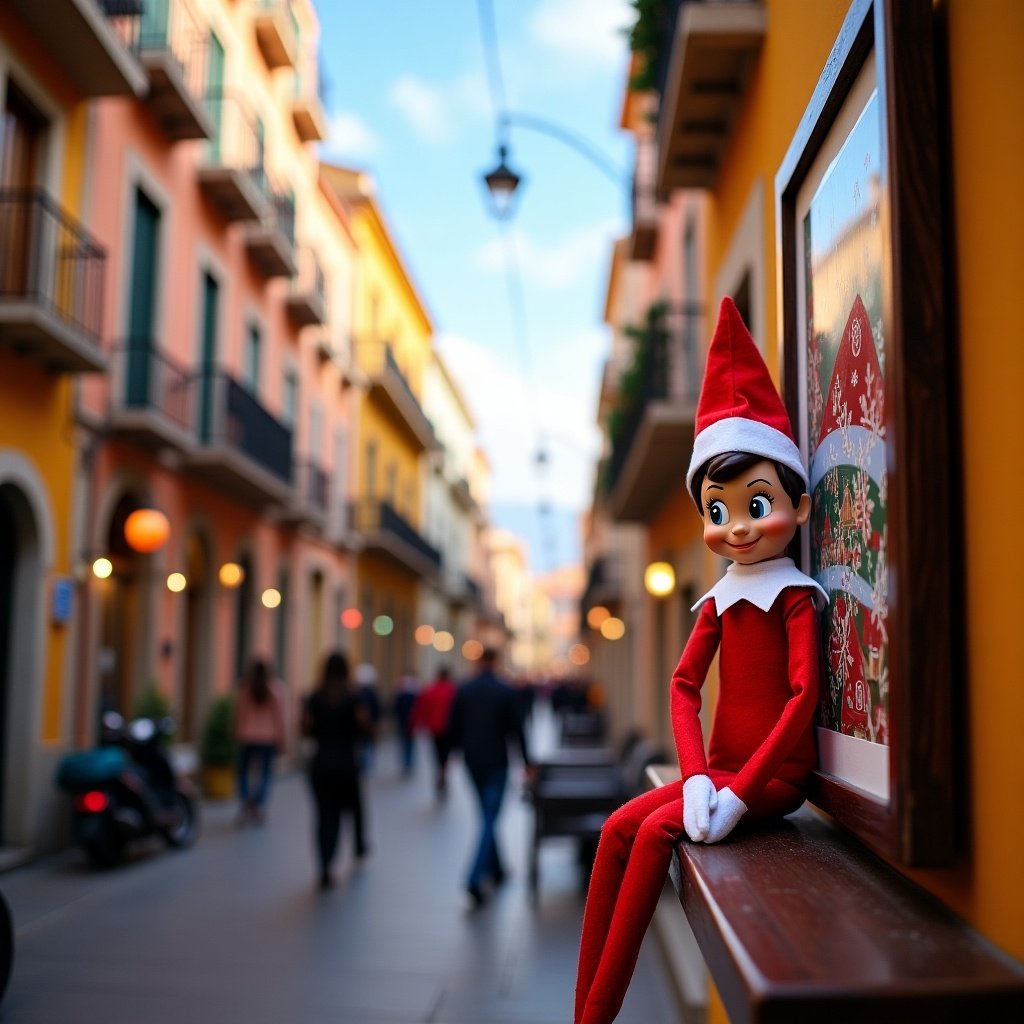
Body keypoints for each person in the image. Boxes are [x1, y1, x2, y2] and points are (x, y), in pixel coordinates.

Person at [573, 297, 826, 1024]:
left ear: (799, 509)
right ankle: (583, 1009)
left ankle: (598, 1016)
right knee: (620, 827)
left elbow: (801, 698)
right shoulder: (718, 601)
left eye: (755, 504)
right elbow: (684, 687)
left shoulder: (794, 598)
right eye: (718, 512)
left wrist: (741, 794)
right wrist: (694, 781)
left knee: (653, 834)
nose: (737, 529)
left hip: (772, 780)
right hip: (714, 771)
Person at [448, 647, 533, 908]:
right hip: (497, 761)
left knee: (486, 815)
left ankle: (496, 870)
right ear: (495, 662)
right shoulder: (506, 690)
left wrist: (449, 759)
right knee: (489, 817)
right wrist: (527, 762)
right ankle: (475, 878)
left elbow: (453, 727)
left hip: (473, 761)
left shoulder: (464, 689)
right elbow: (518, 729)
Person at [301, 650, 373, 889]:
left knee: (325, 815)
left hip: (320, 764)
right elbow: (366, 728)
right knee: (354, 810)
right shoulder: (353, 698)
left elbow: (305, 728)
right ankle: (359, 848)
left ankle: (325, 864)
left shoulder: (315, 697)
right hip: (346, 764)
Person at [233, 657, 288, 825]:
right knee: (264, 773)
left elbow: (238, 713)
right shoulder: (275, 689)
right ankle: (259, 804)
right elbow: (280, 717)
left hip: (247, 736)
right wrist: (282, 738)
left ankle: (246, 802)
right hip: (267, 737)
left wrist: (236, 731)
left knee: (243, 773)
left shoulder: (245, 688)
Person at [410, 666, 458, 797]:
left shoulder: (430, 690)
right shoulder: (453, 690)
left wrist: (417, 724)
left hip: (435, 728)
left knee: (438, 753)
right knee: (447, 753)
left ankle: (440, 770)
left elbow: (421, 708)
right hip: (449, 728)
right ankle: (443, 772)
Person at [353, 662, 382, 772]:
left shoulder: (357, 692)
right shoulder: (371, 692)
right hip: (369, 723)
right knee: (367, 744)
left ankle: (364, 764)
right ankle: (366, 764)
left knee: (363, 745)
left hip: (365, 724)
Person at [392, 670, 419, 776]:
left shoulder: (402, 696)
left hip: (404, 723)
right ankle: (408, 764)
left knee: (405, 744)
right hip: (409, 723)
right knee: (409, 744)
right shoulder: (412, 696)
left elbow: (396, 709)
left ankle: (407, 764)